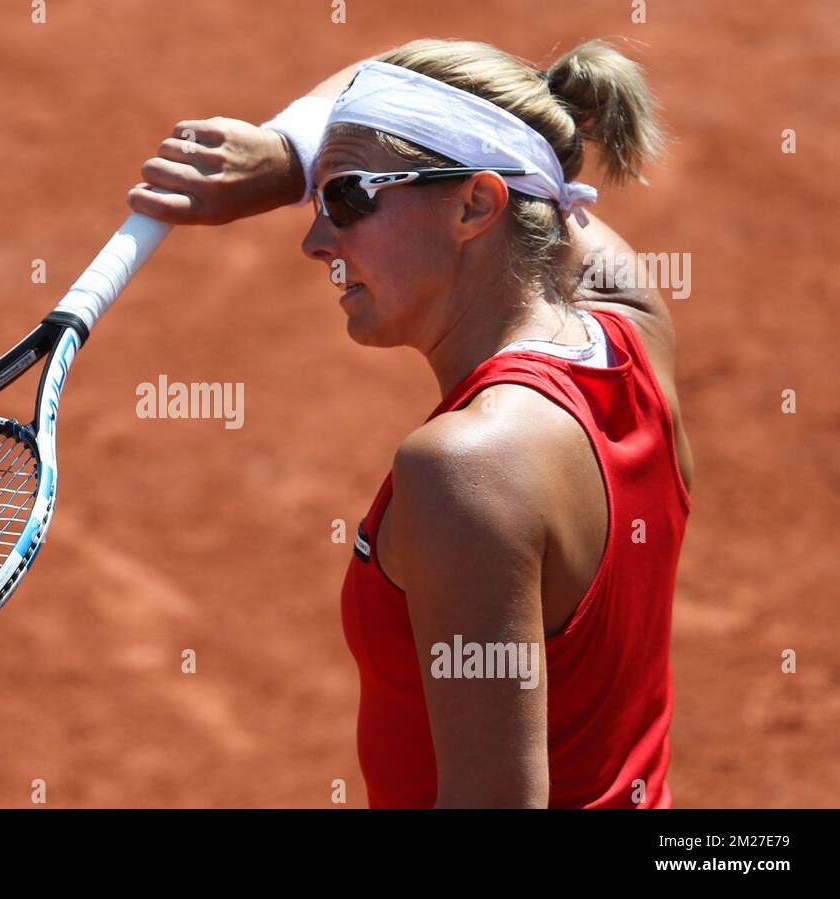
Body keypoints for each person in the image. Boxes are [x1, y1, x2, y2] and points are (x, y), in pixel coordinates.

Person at [128, 38, 694, 808]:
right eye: (320, 199)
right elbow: (450, 104)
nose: (314, 239)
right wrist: (298, 154)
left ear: (475, 204)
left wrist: (289, 157)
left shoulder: (465, 466)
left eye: (351, 199)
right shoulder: (632, 323)